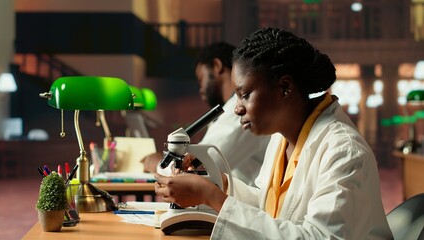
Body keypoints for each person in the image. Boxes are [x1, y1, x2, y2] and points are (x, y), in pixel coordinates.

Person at [154, 28, 393, 239]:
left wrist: (212, 197)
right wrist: (220, 183)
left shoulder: (344, 151)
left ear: (285, 87)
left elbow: (319, 237)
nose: (237, 108)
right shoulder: (281, 138)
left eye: (245, 94)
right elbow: (269, 207)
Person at [141, 42, 271, 186]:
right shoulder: (230, 110)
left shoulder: (240, 111)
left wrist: (158, 163)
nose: (200, 89)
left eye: (201, 79)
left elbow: (200, 166)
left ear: (217, 66)